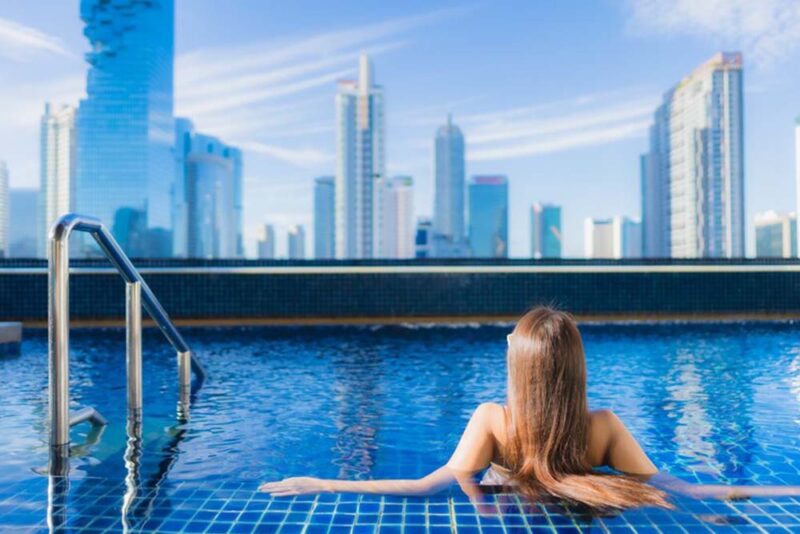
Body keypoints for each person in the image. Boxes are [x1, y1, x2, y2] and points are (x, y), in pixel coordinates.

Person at [259, 307, 800, 510]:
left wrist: (324, 482)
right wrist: (788, 490)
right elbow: (686, 490)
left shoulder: (494, 419)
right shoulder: (603, 427)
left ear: (520, 363)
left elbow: (426, 487)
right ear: (574, 365)